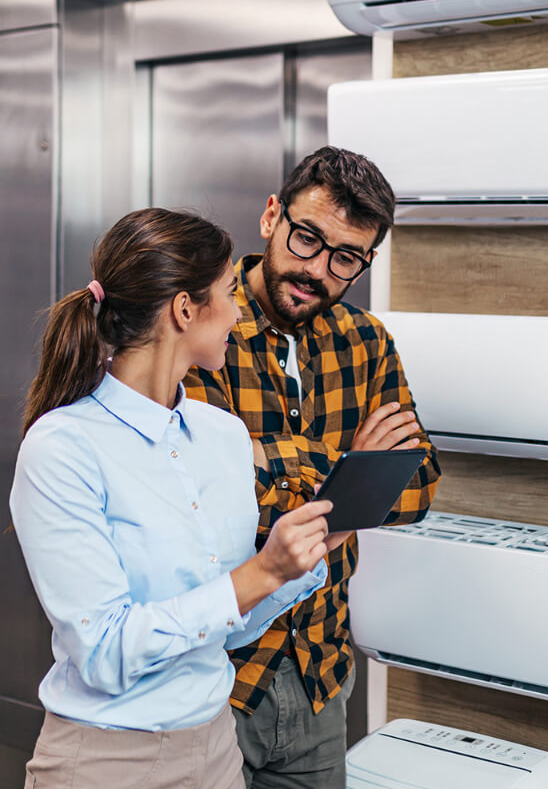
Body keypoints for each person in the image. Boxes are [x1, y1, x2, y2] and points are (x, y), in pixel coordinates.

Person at [9, 208, 349, 789]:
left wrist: (300, 562)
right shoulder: (62, 448)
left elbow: (226, 629)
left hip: (217, 751)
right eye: (227, 293)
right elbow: (104, 652)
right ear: (185, 309)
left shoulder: (223, 435)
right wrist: (261, 569)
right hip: (105, 762)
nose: (239, 312)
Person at [184, 147, 441, 788]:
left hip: (321, 675)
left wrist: (269, 460)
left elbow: (419, 485)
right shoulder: (201, 323)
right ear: (273, 216)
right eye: (307, 239)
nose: (317, 270)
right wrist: (357, 466)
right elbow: (207, 494)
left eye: (345, 257)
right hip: (216, 672)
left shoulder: (367, 341)